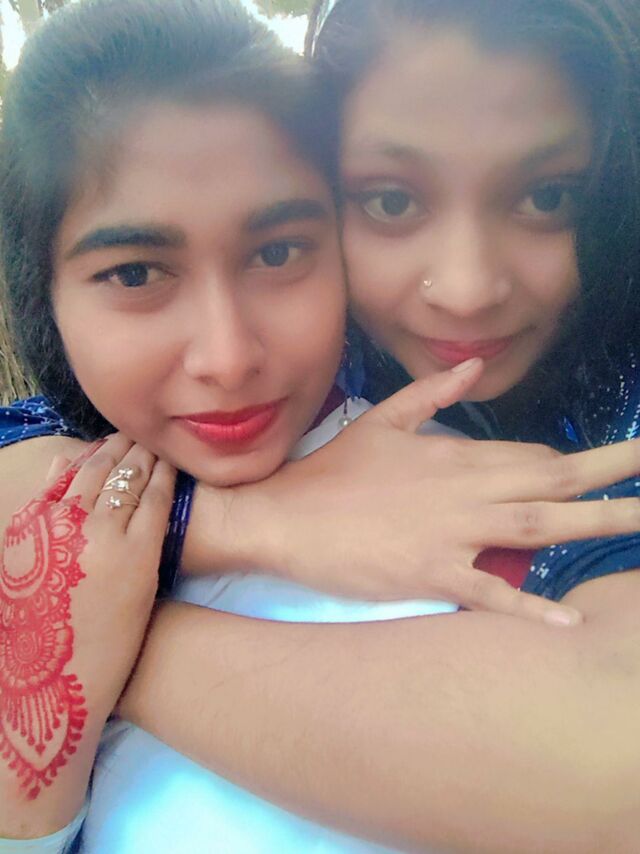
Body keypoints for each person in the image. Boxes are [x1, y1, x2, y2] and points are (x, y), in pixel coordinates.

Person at [1, 0, 640, 852]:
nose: (465, 289)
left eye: (547, 196)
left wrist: (95, 637)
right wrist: (243, 524)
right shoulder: (280, 387)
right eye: (391, 200)